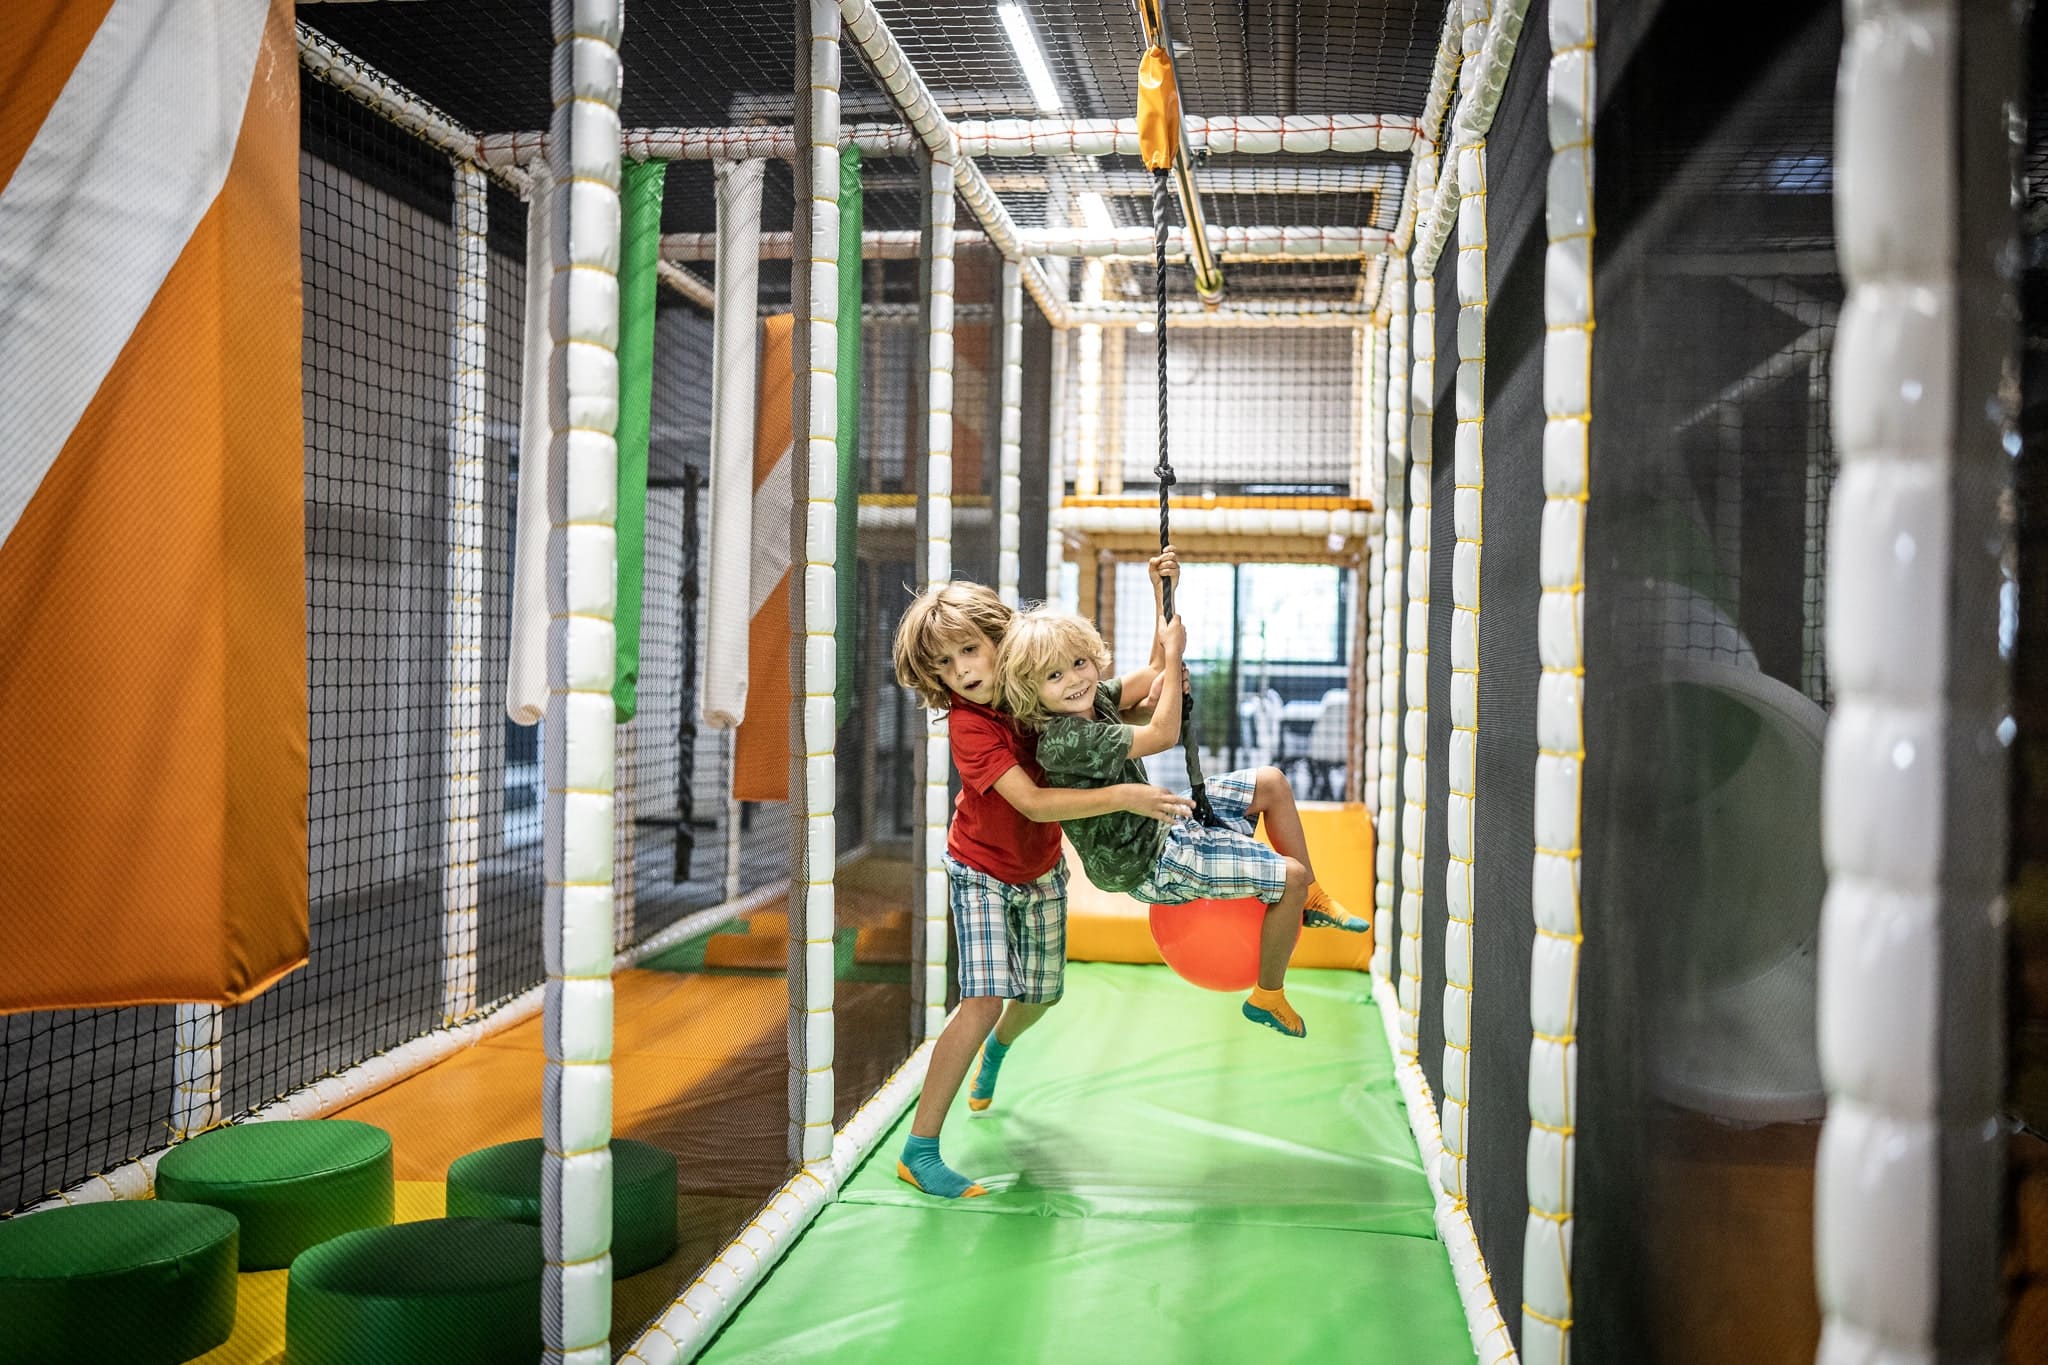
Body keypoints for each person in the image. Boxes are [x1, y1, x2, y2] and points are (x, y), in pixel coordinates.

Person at [889, 580, 1193, 1198]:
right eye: (944, 664)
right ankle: (919, 1150)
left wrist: (1163, 595)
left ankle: (997, 1050)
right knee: (983, 998)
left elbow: (1132, 691)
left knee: (1044, 994)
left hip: (1042, 868)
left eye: (970, 649)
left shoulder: (1042, 689)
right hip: (981, 868)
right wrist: (1129, 795)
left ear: (1001, 639)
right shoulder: (972, 727)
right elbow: (1030, 802)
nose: (963, 670)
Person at [995, 549, 1368, 1039]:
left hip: (1163, 822)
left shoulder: (1095, 701)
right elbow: (1161, 733)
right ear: (1031, 689)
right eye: (1054, 676)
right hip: (1149, 863)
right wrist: (1175, 658)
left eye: (1079, 663)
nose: (1075, 681)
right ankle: (1268, 994)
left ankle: (1313, 899)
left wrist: (1162, 594)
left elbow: (1151, 671)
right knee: (1288, 878)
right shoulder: (1064, 739)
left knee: (1273, 782)